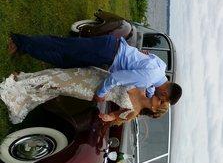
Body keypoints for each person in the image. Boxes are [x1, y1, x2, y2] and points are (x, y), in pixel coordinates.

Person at [8, 33, 182, 105]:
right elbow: (117, 78)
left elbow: (148, 64)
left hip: (109, 50)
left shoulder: (161, 68)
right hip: (106, 52)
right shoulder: (149, 78)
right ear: (165, 94)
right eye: (163, 100)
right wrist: (101, 93)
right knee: (63, 46)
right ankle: (18, 40)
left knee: (63, 61)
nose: (161, 100)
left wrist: (151, 95)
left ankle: (26, 48)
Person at [0, 66, 169, 125]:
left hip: (91, 91)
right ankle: (23, 79)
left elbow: (113, 116)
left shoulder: (133, 112)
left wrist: (108, 117)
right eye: (162, 98)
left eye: (160, 101)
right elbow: (132, 70)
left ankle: (19, 91)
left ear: (154, 109)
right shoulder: (145, 87)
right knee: (60, 74)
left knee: (57, 85)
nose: (160, 97)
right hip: (99, 76)